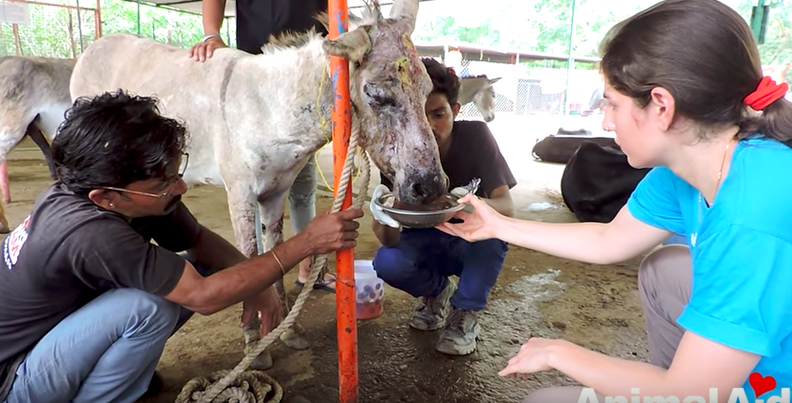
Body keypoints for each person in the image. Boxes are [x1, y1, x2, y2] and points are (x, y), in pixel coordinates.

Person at [438, 0, 792, 401]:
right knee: (667, 267)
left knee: (545, 400)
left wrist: (558, 350)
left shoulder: (754, 214)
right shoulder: (692, 165)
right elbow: (612, 240)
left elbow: (691, 389)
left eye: (612, 103)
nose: (606, 120)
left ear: (662, 106)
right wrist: (497, 225)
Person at [0, 90, 363, 403]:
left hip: (50, 338)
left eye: (176, 173)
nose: (180, 188)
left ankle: (111, 371)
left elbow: (199, 241)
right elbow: (203, 298)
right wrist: (305, 243)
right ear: (106, 197)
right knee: (147, 307)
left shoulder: (118, 191)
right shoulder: (89, 231)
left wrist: (261, 286)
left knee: (208, 268)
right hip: (15, 379)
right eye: (163, 181)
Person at [369, 58, 517, 356]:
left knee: (495, 235)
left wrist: (469, 204)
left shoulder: (475, 137)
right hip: (423, 242)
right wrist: (385, 215)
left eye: (438, 114)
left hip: (468, 242)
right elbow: (388, 239)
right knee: (386, 262)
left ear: (456, 110)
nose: (427, 127)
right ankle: (437, 292)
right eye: (417, 117)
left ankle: (464, 315)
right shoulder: (400, 152)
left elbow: (507, 207)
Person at [187, 0, 337, 293]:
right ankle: (258, 278)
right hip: (258, 78)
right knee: (252, 190)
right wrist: (211, 34)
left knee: (301, 186)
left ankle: (310, 267)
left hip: (308, 76)